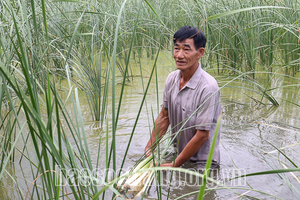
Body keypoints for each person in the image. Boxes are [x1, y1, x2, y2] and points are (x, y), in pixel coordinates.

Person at [144, 26, 221, 168]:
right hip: (178, 155)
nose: (179, 55)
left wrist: (174, 165)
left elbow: (202, 135)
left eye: (186, 49)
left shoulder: (208, 87)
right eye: (176, 48)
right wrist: (149, 150)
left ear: (200, 52)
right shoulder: (172, 79)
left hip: (202, 163)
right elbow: (164, 117)